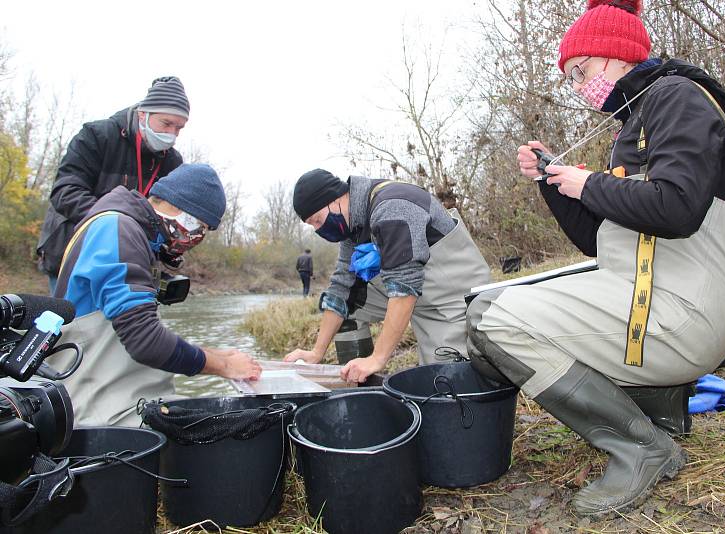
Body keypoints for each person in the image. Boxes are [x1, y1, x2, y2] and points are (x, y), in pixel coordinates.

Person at [465, 0, 725, 516]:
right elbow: (599, 241)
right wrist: (557, 184)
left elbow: (676, 209)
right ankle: (659, 409)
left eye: (582, 71)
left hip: (684, 309)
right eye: (571, 78)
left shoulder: (677, 98)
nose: (580, 86)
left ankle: (640, 448)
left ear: (617, 56)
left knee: (491, 319)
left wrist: (592, 183)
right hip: (653, 299)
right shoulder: (636, 124)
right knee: (490, 307)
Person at [49, 164, 262, 427]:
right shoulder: (117, 230)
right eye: (200, 225)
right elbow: (145, 341)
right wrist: (224, 367)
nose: (198, 236)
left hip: (122, 394)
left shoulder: (133, 233)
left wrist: (217, 354)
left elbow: (134, 333)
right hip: (95, 410)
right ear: (178, 206)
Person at [285, 169, 490, 382]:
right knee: (344, 308)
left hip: (452, 295)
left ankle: (375, 365)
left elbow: (404, 287)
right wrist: (316, 353)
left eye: (317, 220)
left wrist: (378, 358)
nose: (318, 229)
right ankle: (361, 384)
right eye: (312, 225)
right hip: (417, 290)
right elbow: (341, 288)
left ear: (335, 198)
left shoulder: (392, 206)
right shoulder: (351, 225)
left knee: (445, 381)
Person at [37, 76, 190, 295]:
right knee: (73, 326)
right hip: (74, 253)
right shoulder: (97, 136)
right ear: (143, 114)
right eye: (166, 123)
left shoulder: (172, 162)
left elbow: (164, 217)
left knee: (129, 326)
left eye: (179, 128)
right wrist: (118, 224)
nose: (171, 134)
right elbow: (65, 192)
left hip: (130, 264)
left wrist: (171, 245)